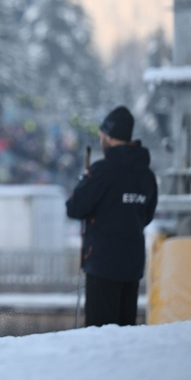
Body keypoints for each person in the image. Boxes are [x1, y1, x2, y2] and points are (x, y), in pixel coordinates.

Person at [66, 105, 158, 327]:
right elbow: (146, 216)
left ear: (109, 136)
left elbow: (75, 208)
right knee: (124, 334)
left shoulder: (103, 171)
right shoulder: (146, 175)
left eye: (101, 136)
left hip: (102, 266)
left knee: (100, 335)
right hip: (132, 266)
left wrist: (83, 184)